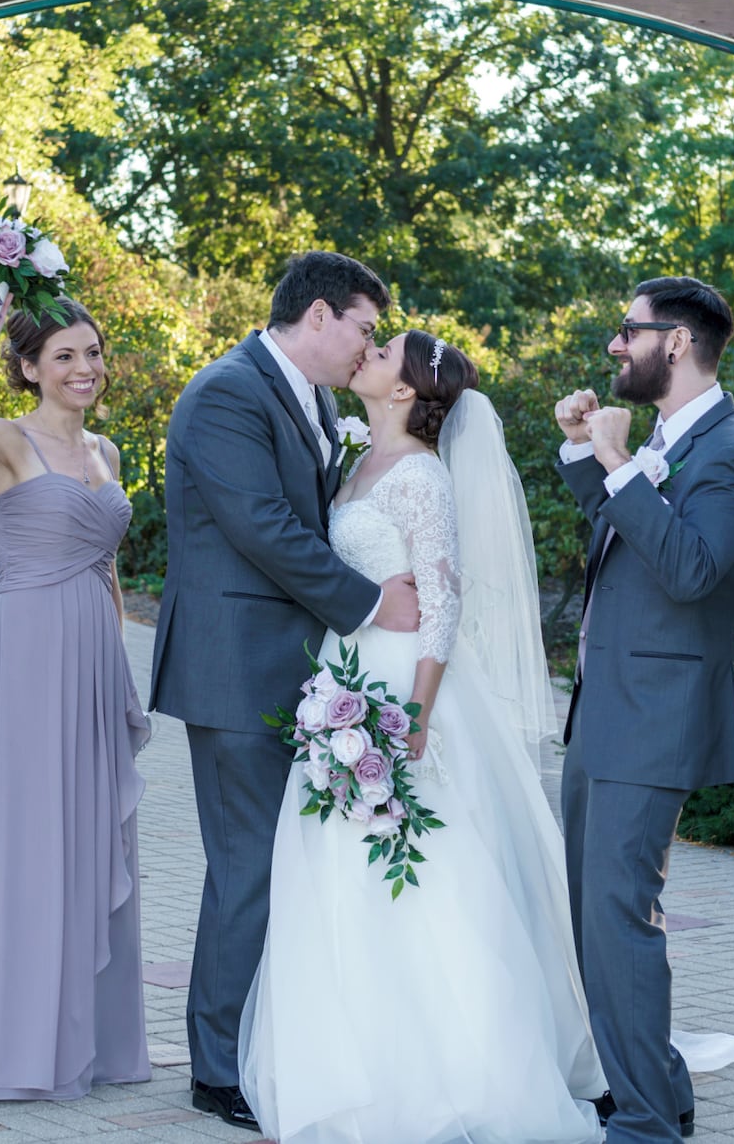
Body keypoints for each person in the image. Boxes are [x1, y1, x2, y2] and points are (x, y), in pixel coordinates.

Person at [241, 330, 608, 1144]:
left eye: (385, 352)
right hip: (346, 674)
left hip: (405, 690)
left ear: (407, 392)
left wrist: (417, 715)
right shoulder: (354, 462)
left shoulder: (420, 475)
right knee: (334, 871)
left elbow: (444, 601)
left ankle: (456, 1071)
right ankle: (345, 1061)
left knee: (428, 874)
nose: (367, 353)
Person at [152, 250, 422, 1131]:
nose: (369, 347)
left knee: (282, 869)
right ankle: (217, 1068)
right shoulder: (227, 393)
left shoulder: (312, 400)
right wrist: (369, 602)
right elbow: (263, 527)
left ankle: (263, 1043)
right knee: (248, 871)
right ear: (318, 317)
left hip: (294, 675)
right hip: (236, 671)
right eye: (366, 328)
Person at [552, 276, 734, 1144]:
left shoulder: (733, 451)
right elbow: (629, 538)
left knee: (618, 917)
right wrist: (586, 451)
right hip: (608, 710)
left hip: (656, 715)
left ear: (676, 343)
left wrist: (615, 464)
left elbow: (689, 571)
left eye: (628, 330)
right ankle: (660, 1086)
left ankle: (646, 1122)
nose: (615, 345)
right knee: (592, 915)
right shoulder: (668, 436)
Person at [0, 280, 151, 1101]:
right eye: (64, 357)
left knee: (92, 837)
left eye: (91, 354)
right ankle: (12, 1050)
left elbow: (109, 566)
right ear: (29, 368)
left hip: (90, 658)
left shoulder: (107, 454)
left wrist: (117, 664)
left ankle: (93, 1042)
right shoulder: (5, 443)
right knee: (30, 845)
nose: (84, 368)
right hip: (24, 654)